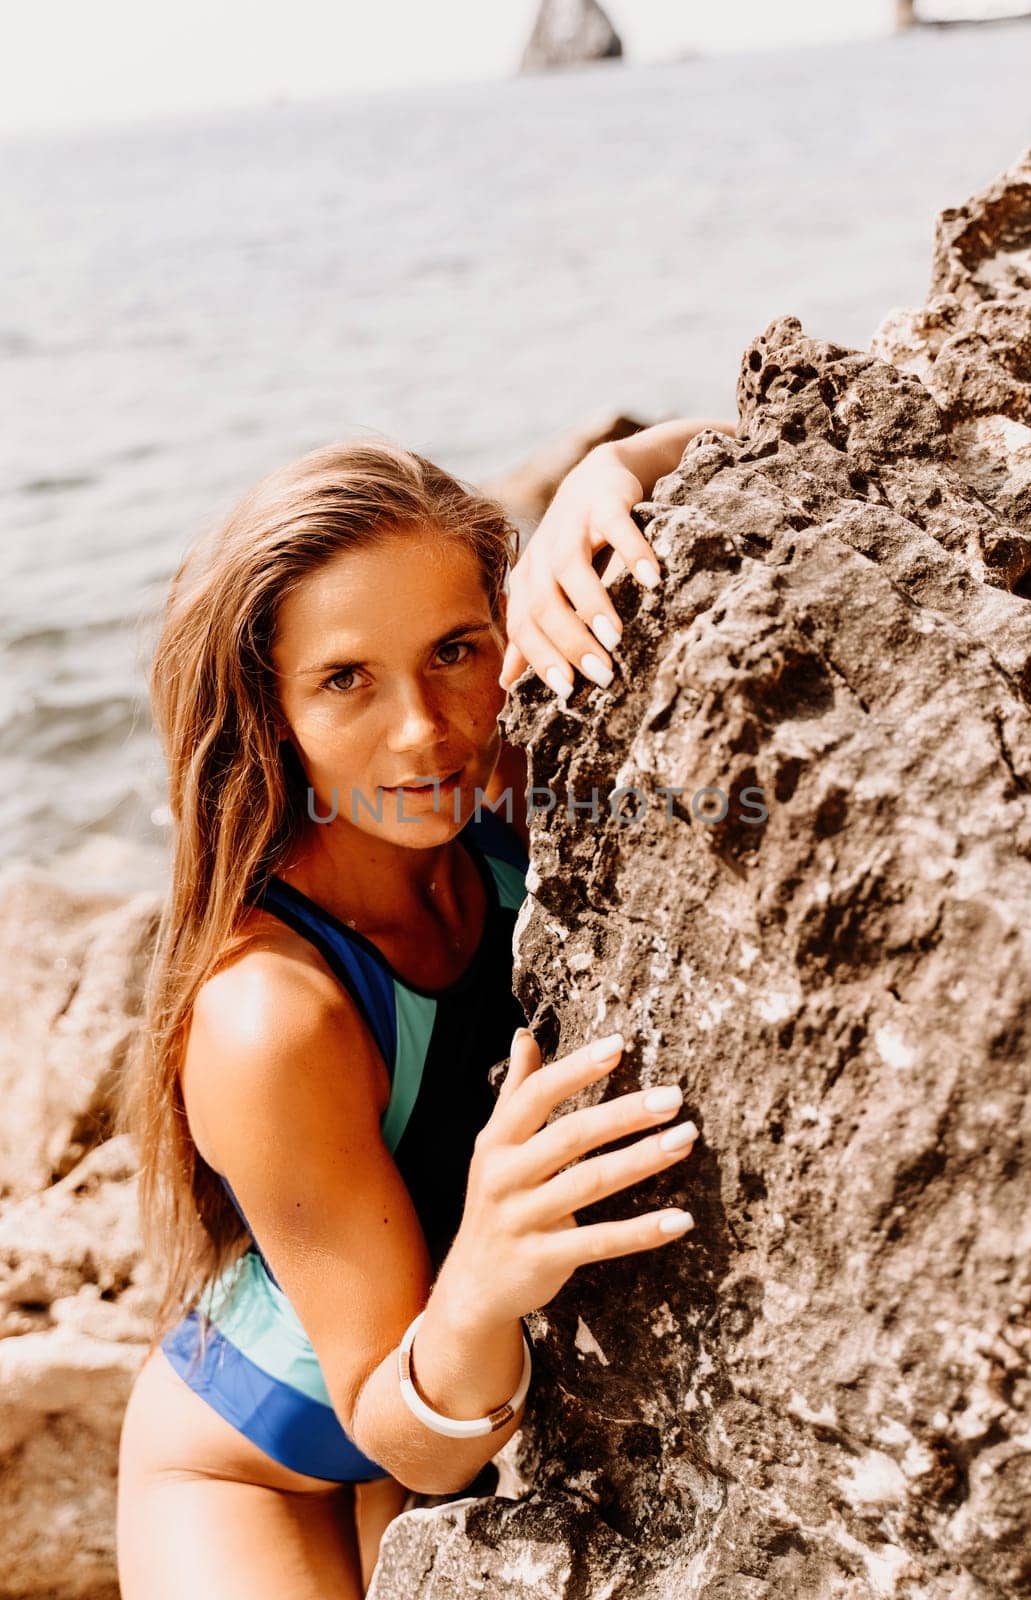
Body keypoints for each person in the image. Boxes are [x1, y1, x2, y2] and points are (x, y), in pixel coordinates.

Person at [115, 413, 735, 1600]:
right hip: (262, 1463)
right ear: (272, 712)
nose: (423, 727)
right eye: (344, 678)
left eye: (455, 649)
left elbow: (786, 418)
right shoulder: (270, 1014)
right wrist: (488, 1275)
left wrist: (608, 473)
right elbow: (404, 1429)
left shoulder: (488, 783)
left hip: (437, 1400)